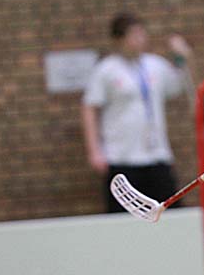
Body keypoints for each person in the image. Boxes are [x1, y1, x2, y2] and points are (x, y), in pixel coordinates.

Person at [81, 12, 195, 213]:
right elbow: (89, 107)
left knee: (170, 211)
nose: (139, 39)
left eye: (142, 33)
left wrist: (183, 57)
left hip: (157, 155)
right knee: (123, 217)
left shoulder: (155, 65)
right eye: (133, 34)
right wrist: (95, 151)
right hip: (122, 158)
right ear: (119, 39)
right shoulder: (106, 70)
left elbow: (181, 83)